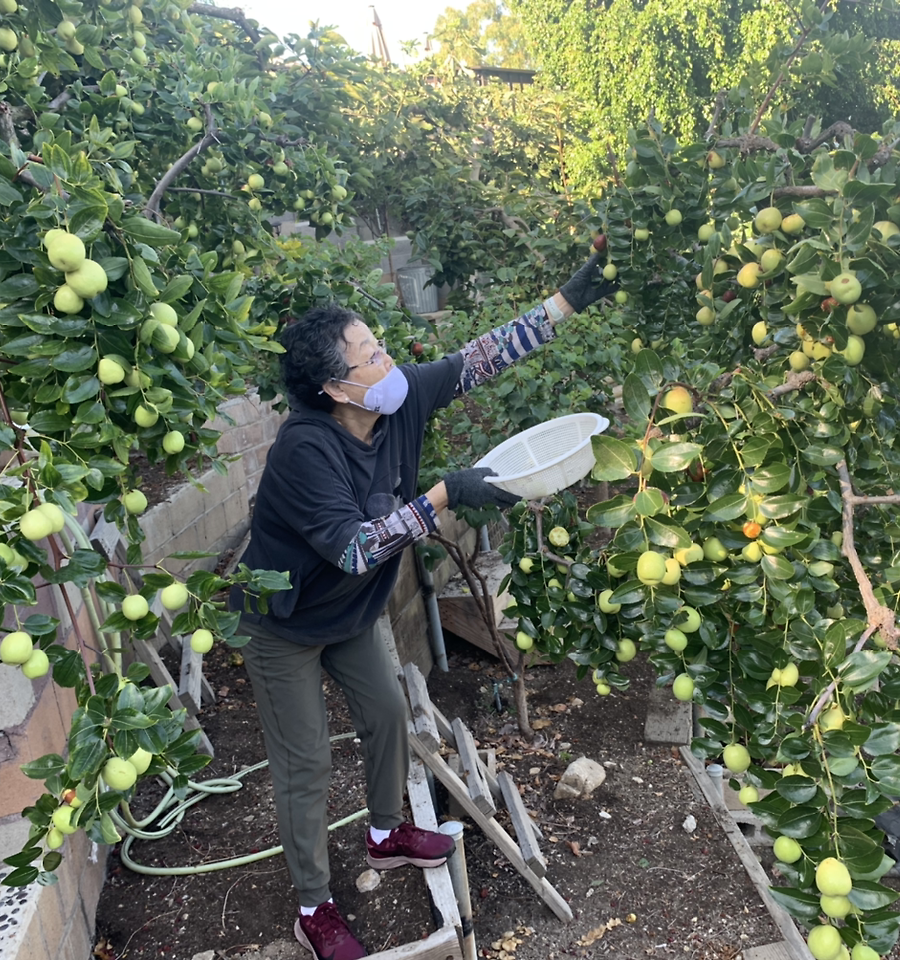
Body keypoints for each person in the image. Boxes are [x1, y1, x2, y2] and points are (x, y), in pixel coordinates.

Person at [227, 255, 616, 960]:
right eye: (370, 356)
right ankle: (313, 907)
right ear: (334, 387)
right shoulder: (304, 451)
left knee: (386, 715)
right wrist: (442, 495)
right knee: (306, 764)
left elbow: (483, 357)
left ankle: (384, 835)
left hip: (349, 614)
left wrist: (566, 301)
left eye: (380, 345)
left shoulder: (395, 401)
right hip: (283, 623)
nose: (388, 361)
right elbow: (354, 549)